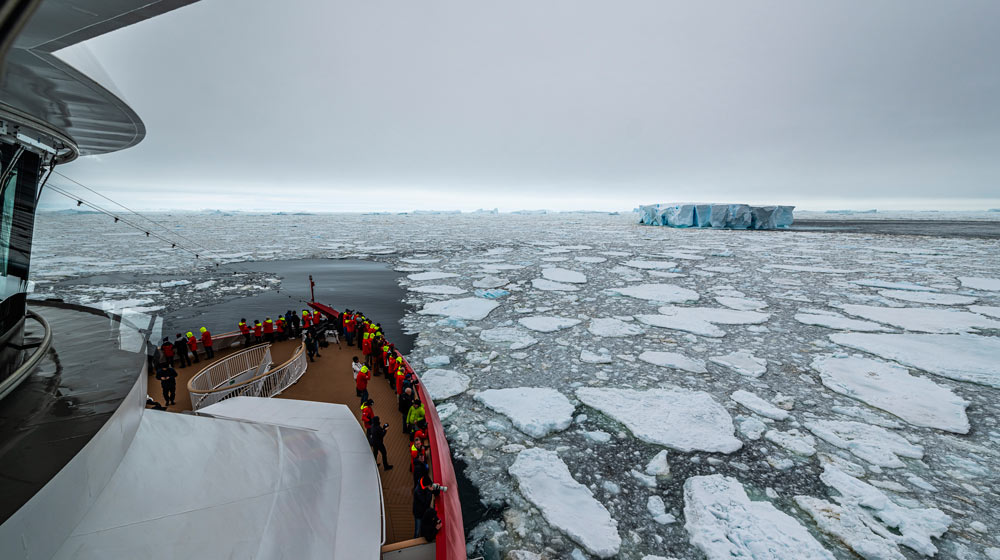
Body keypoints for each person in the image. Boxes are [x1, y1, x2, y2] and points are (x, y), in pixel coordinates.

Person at [412, 474, 438, 539]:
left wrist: (436, 488)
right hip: (419, 514)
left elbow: (435, 493)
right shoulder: (418, 491)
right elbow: (425, 502)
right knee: (417, 531)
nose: (430, 485)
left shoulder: (425, 482)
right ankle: (416, 540)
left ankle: (422, 536)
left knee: (423, 528)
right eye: (429, 485)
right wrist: (430, 491)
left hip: (424, 511)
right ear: (426, 485)